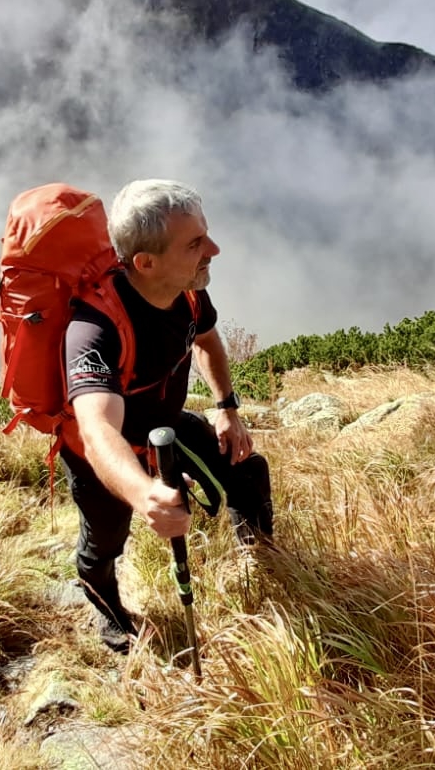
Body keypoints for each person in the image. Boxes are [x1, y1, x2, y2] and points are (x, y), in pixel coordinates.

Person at [61, 178, 274, 651]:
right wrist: (146, 495)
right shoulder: (93, 327)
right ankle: (110, 612)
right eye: (196, 243)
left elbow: (208, 341)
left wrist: (226, 409)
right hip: (106, 457)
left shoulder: (188, 292)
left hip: (167, 424)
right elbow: (96, 431)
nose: (214, 249)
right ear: (146, 262)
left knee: (247, 470)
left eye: (207, 234)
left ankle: (257, 562)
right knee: (105, 543)